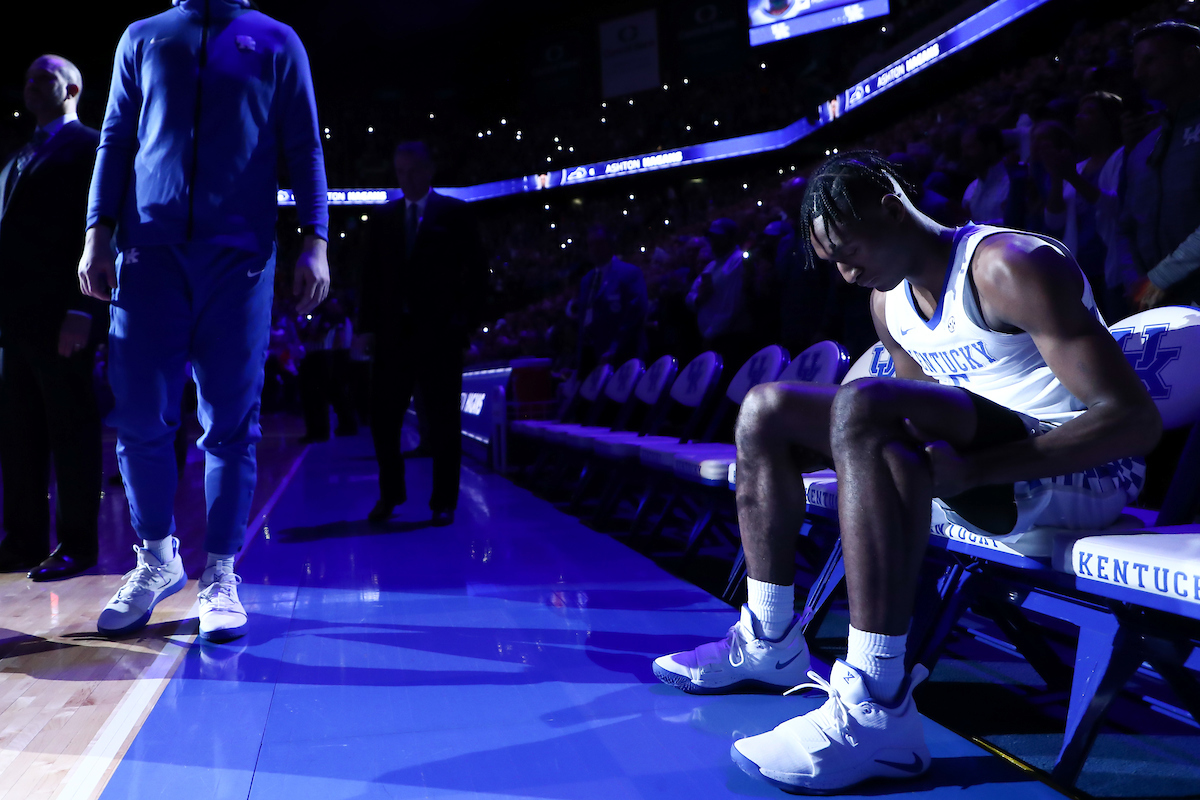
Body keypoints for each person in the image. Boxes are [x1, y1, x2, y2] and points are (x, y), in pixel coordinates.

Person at [653, 152, 1160, 794]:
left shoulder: (1009, 266)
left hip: (1081, 469)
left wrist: (975, 472)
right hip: (988, 473)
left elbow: (1132, 424)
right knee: (767, 408)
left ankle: (876, 703)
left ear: (891, 208)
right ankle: (770, 638)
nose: (845, 272)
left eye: (850, 250)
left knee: (863, 402)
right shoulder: (886, 303)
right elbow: (911, 424)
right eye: (832, 260)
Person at [78, 0, 330, 642]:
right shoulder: (141, 35)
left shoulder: (276, 38)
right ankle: (157, 558)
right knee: (138, 415)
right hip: (147, 251)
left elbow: (302, 142)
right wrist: (96, 233)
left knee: (231, 420)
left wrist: (315, 240)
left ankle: (220, 573)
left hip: (240, 256)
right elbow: (115, 137)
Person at [0, 55, 104, 582]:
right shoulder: (16, 157)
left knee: (71, 432)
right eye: (28, 79)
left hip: (62, 315)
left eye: (43, 77)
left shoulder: (91, 148)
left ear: (73, 88)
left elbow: (97, 233)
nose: (32, 86)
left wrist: (82, 308)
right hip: (14, 321)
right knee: (18, 435)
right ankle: (22, 540)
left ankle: (78, 544)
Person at [357, 141, 488, 527]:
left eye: (413, 170)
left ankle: (443, 501)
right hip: (392, 336)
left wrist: (464, 324)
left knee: (445, 421)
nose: (406, 178)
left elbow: (477, 275)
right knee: (384, 420)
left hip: (441, 336)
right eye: (400, 171)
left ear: (430, 170)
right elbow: (369, 279)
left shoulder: (456, 213)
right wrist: (365, 329)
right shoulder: (382, 219)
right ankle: (390, 494)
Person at [1123, 21, 1200, 309]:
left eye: (1151, 61)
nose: (1139, 74)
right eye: (1136, 64)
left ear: (1190, 57)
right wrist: (1134, 280)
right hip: (1160, 303)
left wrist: (1161, 277)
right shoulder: (1144, 147)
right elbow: (1126, 225)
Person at [576, 225, 647, 376]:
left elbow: (635, 314)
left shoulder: (629, 273)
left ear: (610, 244)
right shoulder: (586, 280)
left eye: (599, 243)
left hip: (621, 354)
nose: (594, 249)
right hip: (591, 353)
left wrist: (615, 347)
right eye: (590, 245)